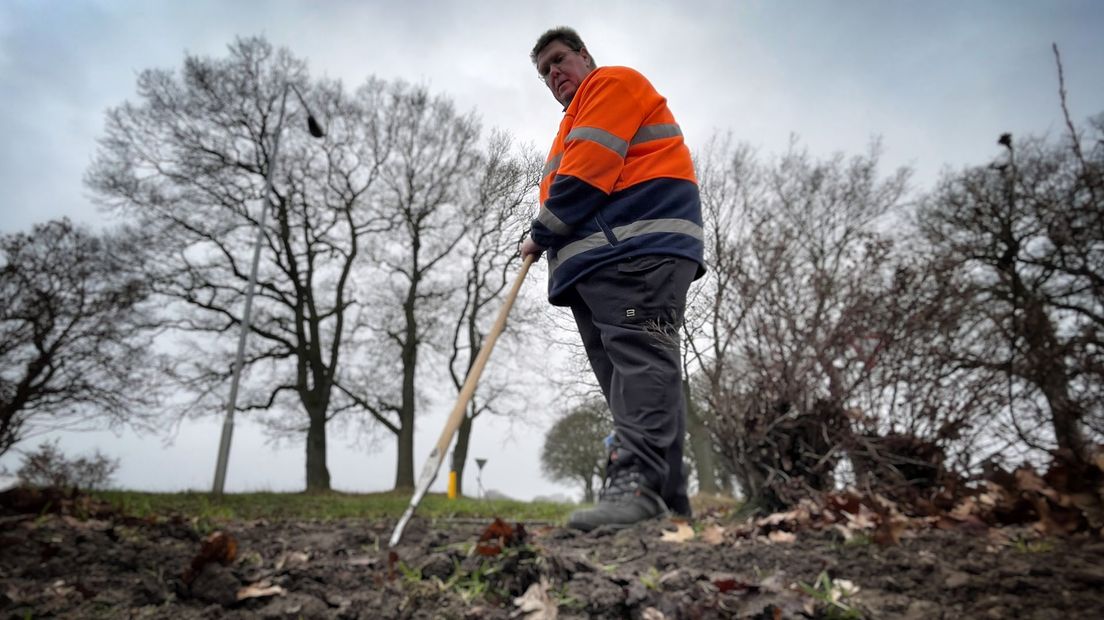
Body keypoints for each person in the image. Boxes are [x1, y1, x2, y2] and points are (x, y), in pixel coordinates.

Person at [521, 27, 706, 531]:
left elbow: (587, 173)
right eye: (544, 71)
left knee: (640, 364)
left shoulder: (611, 85)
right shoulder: (571, 121)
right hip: (600, 263)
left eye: (559, 60)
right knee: (627, 379)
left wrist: (541, 232)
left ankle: (638, 485)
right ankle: (665, 501)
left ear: (584, 56)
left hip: (633, 250)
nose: (553, 74)